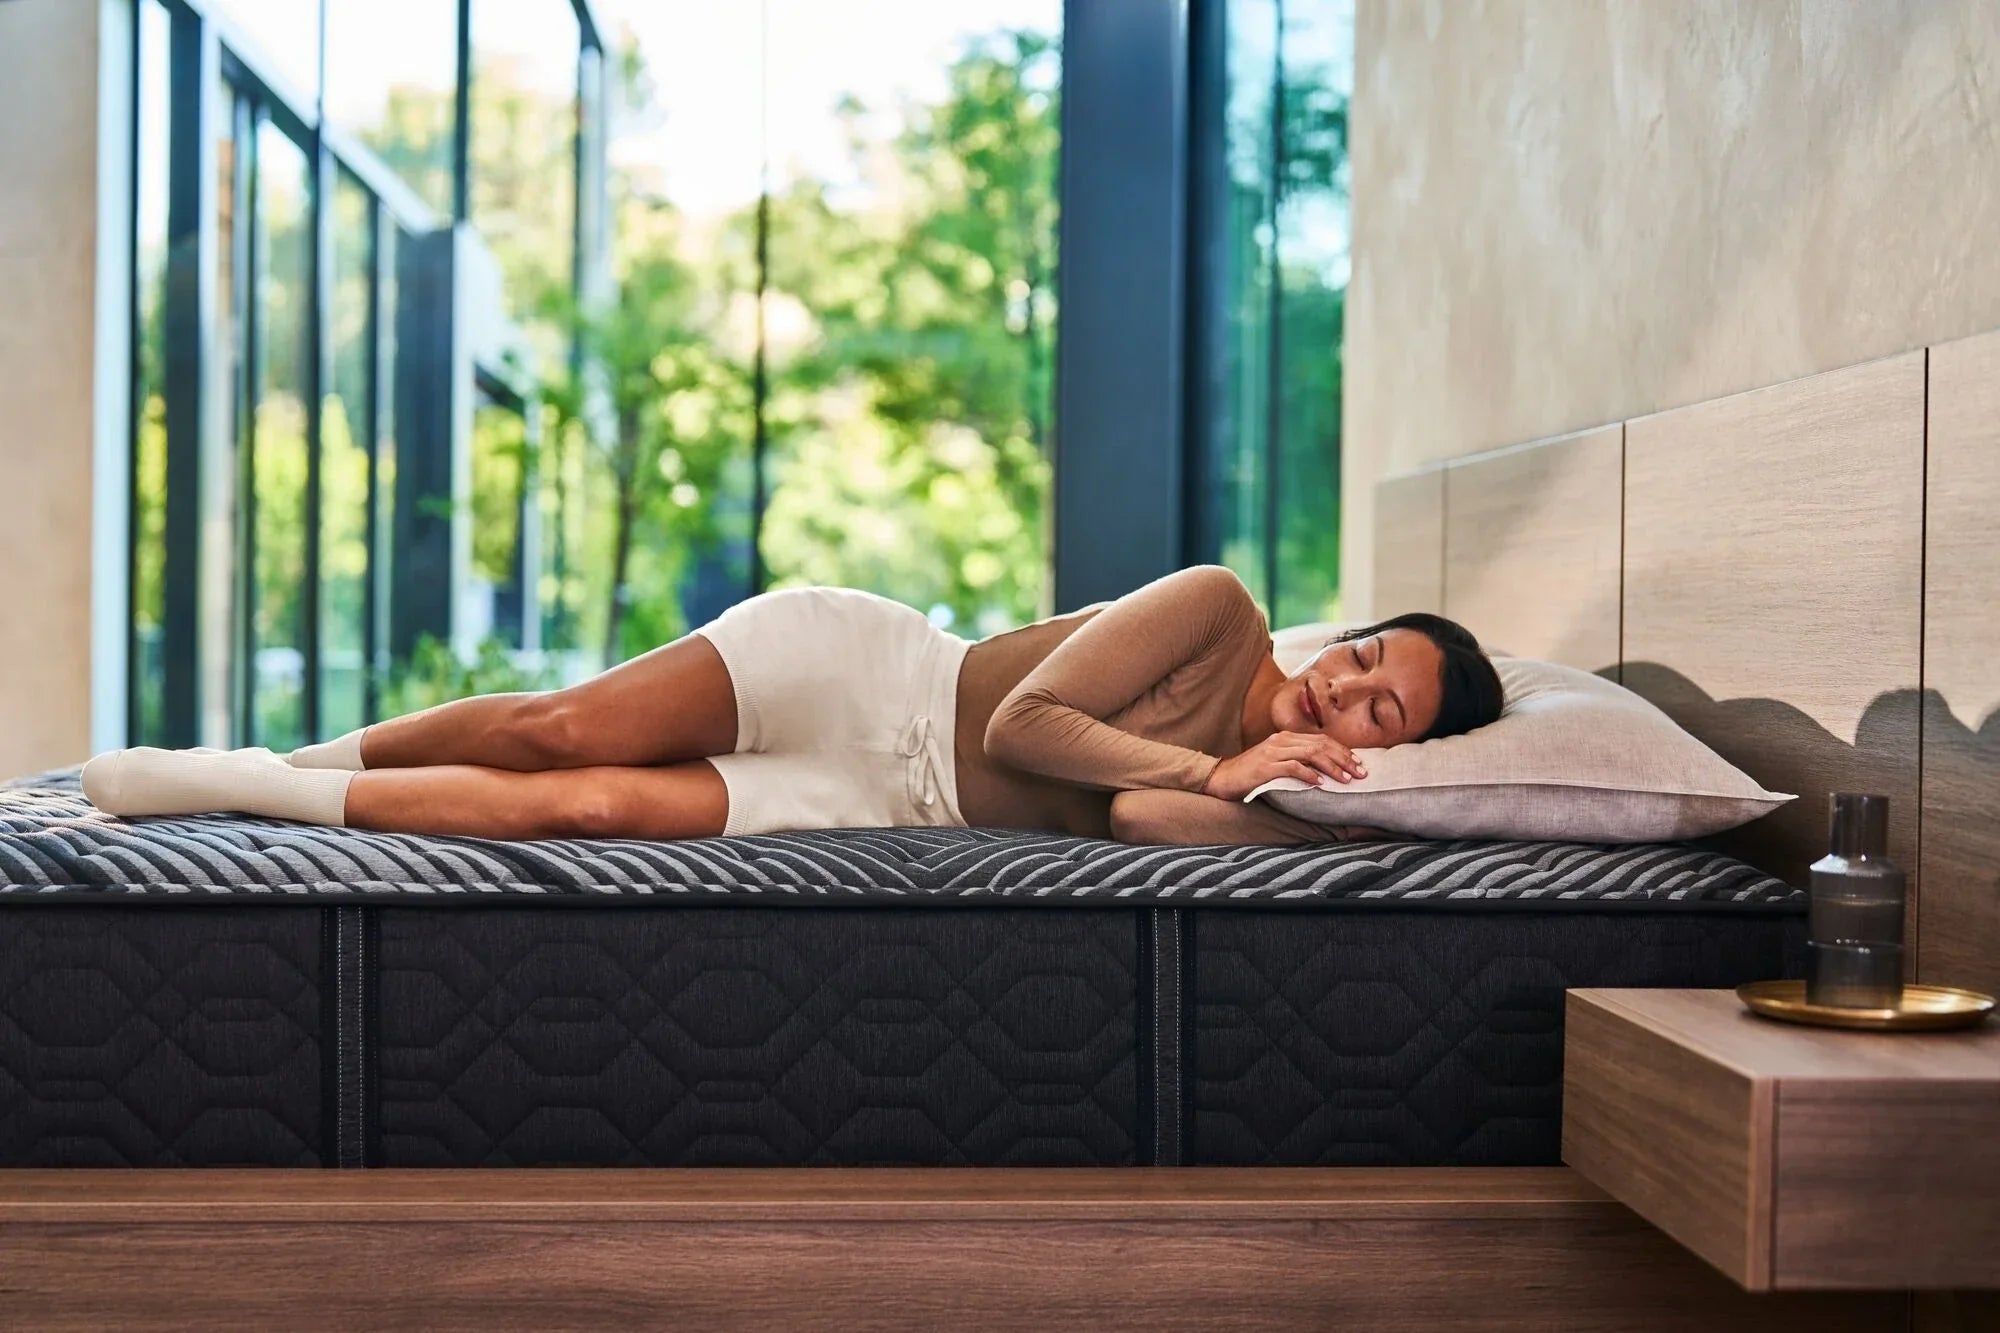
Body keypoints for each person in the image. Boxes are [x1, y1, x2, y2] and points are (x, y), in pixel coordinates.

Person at [79, 564, 1504, 846]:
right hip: (869, 669)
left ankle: (240, 796)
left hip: (883, 798)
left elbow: (1130, 811)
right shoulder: (1221, 606)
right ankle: (268, 757)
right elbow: (1024, 730)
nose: (1349, 684)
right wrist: (1222, 762)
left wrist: (1274, 786)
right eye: (1371, 653)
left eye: (1382, 712)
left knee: (583, 808)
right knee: (561, 730)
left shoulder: (1264, 765)